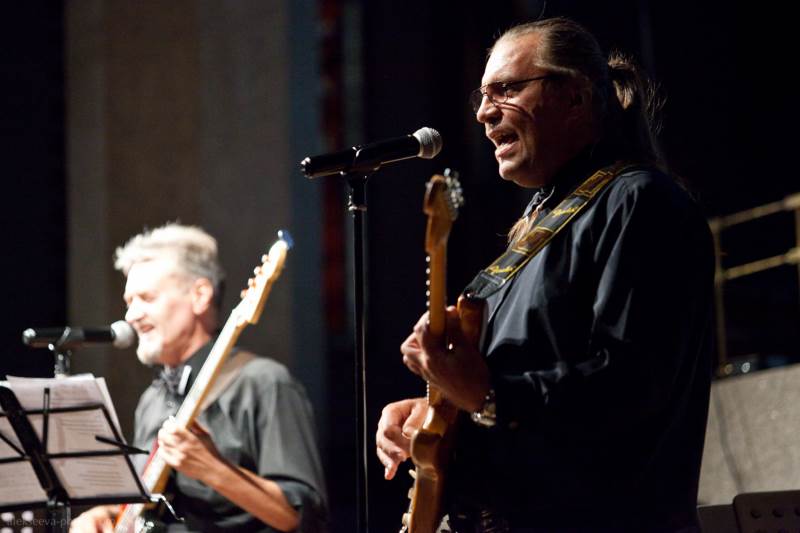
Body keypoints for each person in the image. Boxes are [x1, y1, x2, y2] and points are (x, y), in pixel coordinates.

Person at [376, 17, 713, 533]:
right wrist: (439, 412)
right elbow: (524, 392)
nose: (484, 113)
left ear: (575, 97)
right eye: (482, 96)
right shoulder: (543, 224)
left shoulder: (640, 202)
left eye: (507, 90)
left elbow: (630, 388)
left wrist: (487, 395)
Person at [71, 223, 327, 533]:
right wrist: (107, 514)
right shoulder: (152, 400)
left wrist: (213, 469)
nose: (131, 316)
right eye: (129, 302)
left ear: (200, 296)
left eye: (147, 298)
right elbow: (153, 504)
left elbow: (302, 518)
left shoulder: (265, 383)